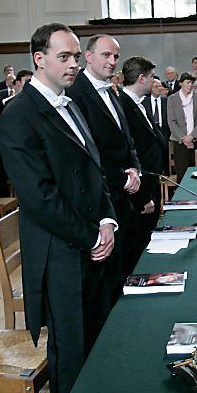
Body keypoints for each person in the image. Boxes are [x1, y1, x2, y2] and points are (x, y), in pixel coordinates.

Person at [0, 23, 118, 393]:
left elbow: (93, 171)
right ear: (39, 58)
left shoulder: (71, 102)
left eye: (76, 56)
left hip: (90, 242)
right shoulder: (18, 115)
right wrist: (90, 235)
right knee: (70, 354)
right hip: (61, 253)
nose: (73, 64)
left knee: (99, 342)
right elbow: (39, 197)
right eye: (64, 56)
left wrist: (107, 220)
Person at [69, 35, 144, 283]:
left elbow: (127, 139)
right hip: (103, 198)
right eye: (106, 55)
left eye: (115, 57)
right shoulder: (75, 93)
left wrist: (135, 168)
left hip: (125, 197)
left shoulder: (112, 91)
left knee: (129, 267)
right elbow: (89, 151)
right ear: (88, 57)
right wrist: (121, 178)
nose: (112, 62)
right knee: (110, 279)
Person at [118, 56, 166, 252]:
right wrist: (143, 196)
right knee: (141, 244)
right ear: (141, 78)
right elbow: (128, 155)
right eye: (152, 76)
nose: (154, 81)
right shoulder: (124, 106)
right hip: (140, 191)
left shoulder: (140, 103)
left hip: (151, 182)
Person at [167, 72, 197, 181]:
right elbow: (171, 122)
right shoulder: (172, 99)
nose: (190, 85)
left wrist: (192, 137)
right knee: (182, 175)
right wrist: (184, 138)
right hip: (180, 143)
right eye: (187, 82)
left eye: (192, 82)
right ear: (180, 83)